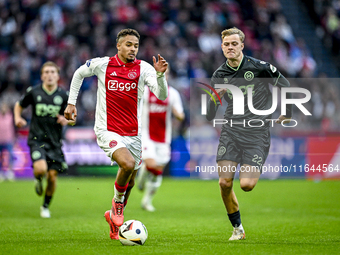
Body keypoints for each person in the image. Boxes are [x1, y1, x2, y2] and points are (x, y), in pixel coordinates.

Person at [64, 28, 168, 240]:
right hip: (107, 129)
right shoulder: (103, 64)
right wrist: (71, 103)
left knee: (129, 181)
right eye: (128, 44)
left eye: (136, 46)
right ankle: (117, 205)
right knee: (127, 164)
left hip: (134, 134)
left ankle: (113, 219)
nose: (132, 49)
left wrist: (160, 76)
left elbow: (161, 94)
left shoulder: (144, 68)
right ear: (118, 46)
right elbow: (78, 73)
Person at [206, 27, 292, 240]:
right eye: (226, 44)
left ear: (242, 45)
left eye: (234, 44)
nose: (230, 47)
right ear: (222, 47)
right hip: (231, 132)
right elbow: (209, 114)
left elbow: (285, 85)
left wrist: (287, 113)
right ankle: (238, 229)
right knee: (225, 183)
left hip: (257, 133)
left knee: (246, 185)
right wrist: (216, 97)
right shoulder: (219, 75)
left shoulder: (260, 67)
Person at [14, 61, 75, 218]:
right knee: (41, 169)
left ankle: (45, 206)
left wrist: (66, 120)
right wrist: (17, 117)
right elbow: (19, 105)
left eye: (52, 72)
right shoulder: (34, 92)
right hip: (37, 138)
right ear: (41, 76)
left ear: (57, 76)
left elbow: (73, 118)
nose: (49, 75)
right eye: (46, 72)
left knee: (53, 177)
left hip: (55, 142)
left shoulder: (63, 95)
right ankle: (39, 178)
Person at [137, 67, 185, 212]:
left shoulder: (173, 94)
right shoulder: (145, 91)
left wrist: (178, 114)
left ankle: (146, 201)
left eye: (166, 74)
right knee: (152, 163)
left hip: (164, 138)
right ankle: (142, 176)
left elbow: (181, 116)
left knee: (158, 170)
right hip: (146, 134)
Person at [0, 102, 16, 182]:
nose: (4, 109)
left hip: (8, 140)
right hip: (0, 140)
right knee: (0, 157)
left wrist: (13, 138)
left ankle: (10, 172)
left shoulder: (10, 116)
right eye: (3, 107)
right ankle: (1, 173)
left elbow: (12, 128)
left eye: (5, 107)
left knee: (10, 156)